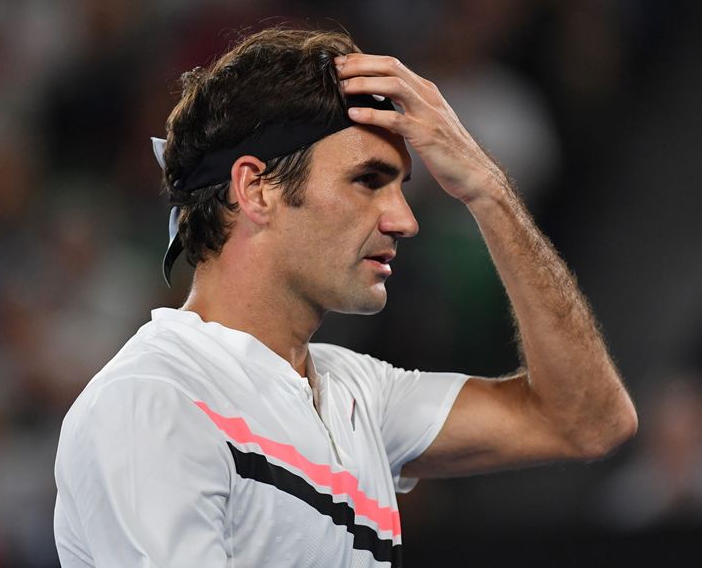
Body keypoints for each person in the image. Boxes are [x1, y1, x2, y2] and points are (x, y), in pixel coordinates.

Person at [53, 28, 637, 567]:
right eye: (368, 181)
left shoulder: (360, 397)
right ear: (255, 189)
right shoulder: (154, 401)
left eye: (402, 188)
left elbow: (587, 420)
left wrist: (488, 190)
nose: (405, 220)